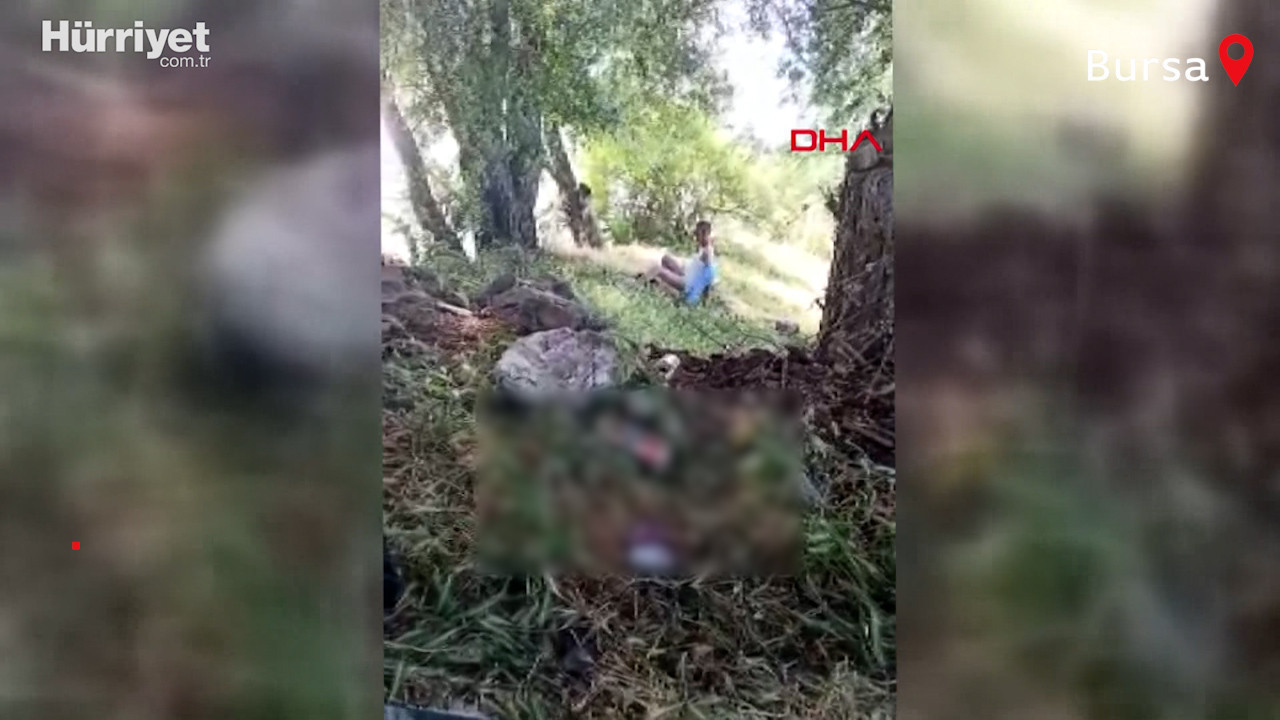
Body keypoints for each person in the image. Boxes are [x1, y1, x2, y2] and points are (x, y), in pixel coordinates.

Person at [641, 220, 717, 304]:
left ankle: (637, 284)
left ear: (704, 234)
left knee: (658, 270)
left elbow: (709, 277)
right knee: (666, 258)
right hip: (686, 274)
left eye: (697, 234)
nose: (696, 237)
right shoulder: (702, 247)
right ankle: (655, 282)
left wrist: (703, 298)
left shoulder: (707, 253)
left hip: (687, 283)